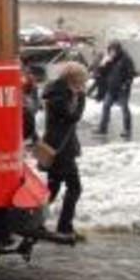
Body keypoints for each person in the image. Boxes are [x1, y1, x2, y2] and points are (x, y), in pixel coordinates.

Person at [41, 61, 88, 237]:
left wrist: (76, 96)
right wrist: (81, 98)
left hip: (60, 147)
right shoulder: (58, 96)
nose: (83, 84)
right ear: (73, 78)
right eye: (82, 80)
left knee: (52, 188)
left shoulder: (60, 92)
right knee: (74, 187)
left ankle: (35, 221)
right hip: (60, 149)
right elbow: (72, 117)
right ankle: (64, 226)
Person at [94, 41, 136, 139]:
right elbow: (101, 73)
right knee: (105, 106)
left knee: (124, 108)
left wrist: (126, 84)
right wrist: (103, 64)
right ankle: (103, 128)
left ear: (118, 49)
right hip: (111, 88)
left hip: (122, 89)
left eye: (114, 50)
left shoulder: (126, 59)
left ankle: (127, 130)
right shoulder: (109, 60)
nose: (112, 52)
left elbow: (131, 73)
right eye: (111, 50)